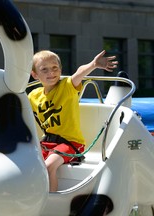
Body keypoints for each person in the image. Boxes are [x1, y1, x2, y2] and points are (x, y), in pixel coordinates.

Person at [28, 50, 118, 192]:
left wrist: (93, 65)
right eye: (44, 69)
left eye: (54, 68)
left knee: (48, 166)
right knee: (25, 163)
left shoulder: (67, 86)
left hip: (70, 143)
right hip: (47, 143)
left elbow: (79, 73)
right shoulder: (33, 95)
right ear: (35, 75)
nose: (50, 73)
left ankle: (52, 205)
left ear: (60, 70)